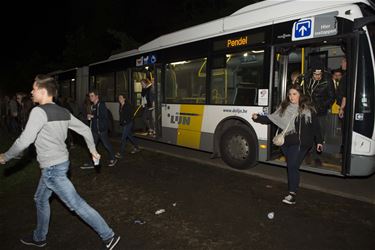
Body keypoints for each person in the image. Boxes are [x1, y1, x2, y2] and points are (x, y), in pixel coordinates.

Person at [0, 75, 120, 249]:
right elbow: (86, 129)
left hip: (52, 170)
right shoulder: (63, 111)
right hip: (61, 164)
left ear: (42, 91)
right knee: (40, 199)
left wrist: (5, 156)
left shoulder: (38, 112)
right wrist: (93, 150)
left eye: (34, 89)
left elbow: (24, 141)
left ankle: (108, 236)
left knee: (76, 204)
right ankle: (39, 237)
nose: (31, 92)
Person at [252, 84, 323, 205]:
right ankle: (293, 189)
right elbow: (272, 118)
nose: (291, 97)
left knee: (292, 165)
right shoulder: (284, 107)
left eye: (294, 94)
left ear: (300, 95)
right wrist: (258, 118)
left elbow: (316, 126)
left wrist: (319, 141)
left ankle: (292, 193)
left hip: (301, 142)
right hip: (286, 142)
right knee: (292, 166)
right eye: (290, 94)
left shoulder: (308, 109)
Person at [85, 90, 117, 168]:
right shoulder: (93, 106)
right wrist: (90, 117)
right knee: (92, 146)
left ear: (97, 96)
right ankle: (92, 162)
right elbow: (94, 118)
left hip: (102, 130)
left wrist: (93, 116)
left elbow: (104, 116)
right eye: (90, 96)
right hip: (95, 130)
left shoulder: (101, 105)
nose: (90, 97)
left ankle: (113, 158)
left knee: (107, 145)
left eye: (92, 96)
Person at [115, 94, 140, 159]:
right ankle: (137, 147)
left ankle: (121, 153)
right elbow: (121, 115)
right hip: (125, 124)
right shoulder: (120, 105)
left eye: (121, 97)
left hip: (128, 123)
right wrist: (121, 122)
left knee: (123, 138)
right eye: (119, 98)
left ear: (124, 98)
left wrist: (126, 121)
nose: (119, 99)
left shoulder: (127, 106)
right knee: (129, 136)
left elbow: (131, 115)